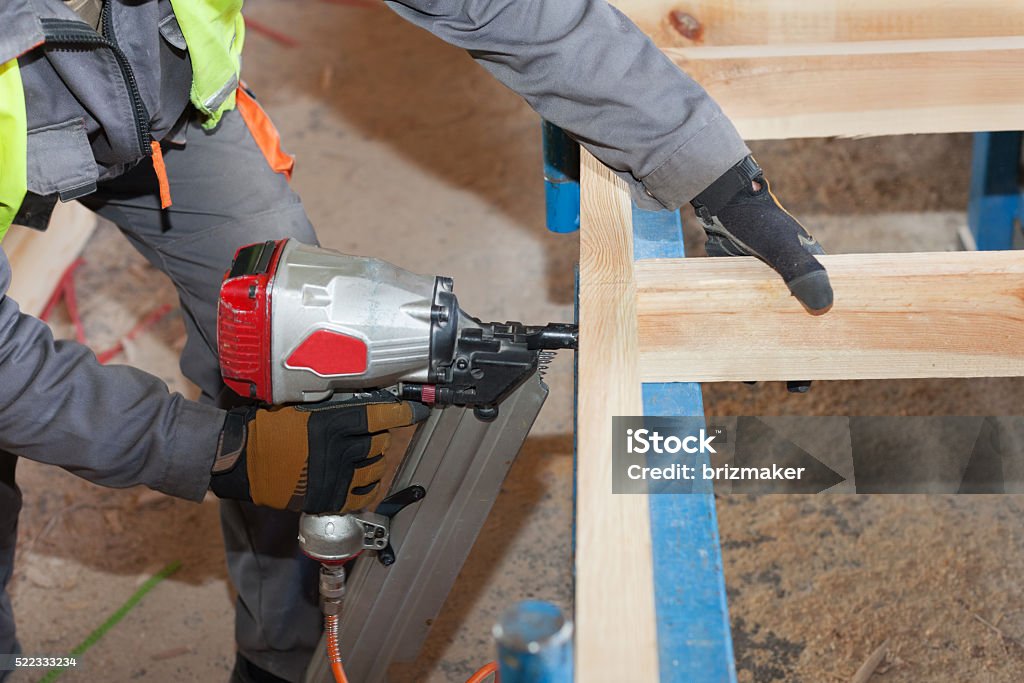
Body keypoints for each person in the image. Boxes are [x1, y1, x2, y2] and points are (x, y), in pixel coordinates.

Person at [0, 1, 832, 681]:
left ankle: (279, 663)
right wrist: (218, 450)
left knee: (292, 336)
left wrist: (711, 169)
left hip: (156, 92)